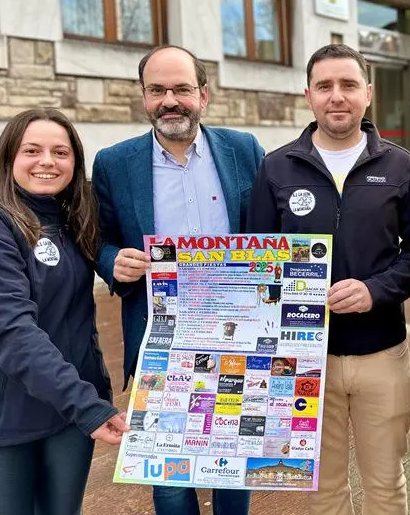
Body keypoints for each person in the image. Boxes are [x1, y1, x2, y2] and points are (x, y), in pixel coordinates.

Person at [248, 44, 410, 515]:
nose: (337, 96)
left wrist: (376, 290)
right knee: (322, 490)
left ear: (368, 93)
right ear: (308, 94)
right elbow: (256, 262)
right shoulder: (276, 167)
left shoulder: (400, 166)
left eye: (348, 85)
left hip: (382, 353)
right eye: (325, 86)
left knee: (385, 485)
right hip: (305, 358)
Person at [92, 45, 264, 515]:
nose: (170, 100)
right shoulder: (113, 163)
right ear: (144, 97)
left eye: (182, 89)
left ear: (203, 95)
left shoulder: (244, 150)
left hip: (237, 333)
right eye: (157, 90)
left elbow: (271, 230)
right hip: (159, 336)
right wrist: (113, 263)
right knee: (169, 474)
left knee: (231, 460)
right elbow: (99, 239)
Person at [0, 109, 128, 515]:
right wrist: (88, 405)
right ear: (9, 157)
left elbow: (72, 316)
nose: (47, 161)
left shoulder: (71, 221)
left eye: (60, 152)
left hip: (64, 418)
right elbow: (12, 333)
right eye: (32, 150)